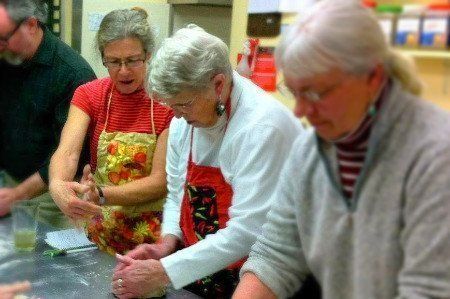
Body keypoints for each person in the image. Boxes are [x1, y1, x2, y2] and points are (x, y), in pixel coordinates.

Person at [233, 1, 450, 298]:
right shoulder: (309, 151)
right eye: (294, 92)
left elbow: (429, 290)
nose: (300, 111)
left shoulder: (436, 155)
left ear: (373, 78)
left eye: (315, 93)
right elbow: (276, 256)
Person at [111, 24, 304, 299]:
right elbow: (178, 192)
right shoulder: (185, 118)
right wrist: (167, 242)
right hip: (206, 270)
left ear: (218, 84)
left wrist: (165, 271)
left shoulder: (261, 127)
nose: (177, 116)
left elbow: (249, 231)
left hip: (263, 275)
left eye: (184, 104)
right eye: (171, 106)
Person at [49, 8, 174, 255]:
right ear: (103, 58)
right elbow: (68, 152)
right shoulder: (89, 95)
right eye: (114, 62)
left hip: (154, 241)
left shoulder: (168, 100)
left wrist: (101, 194)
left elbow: (160, 182)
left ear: (148, 55)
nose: (124, 71)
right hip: (102, 234)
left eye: (133, 60)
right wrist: (58, 185)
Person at [0, 0, 96, 227]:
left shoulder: (73, 74)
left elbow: (70, 155)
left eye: (4, 38)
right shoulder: (8, 58)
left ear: (31, 24)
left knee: (41, 258)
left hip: (50, 197)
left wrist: (17, 195)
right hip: (9, 183)